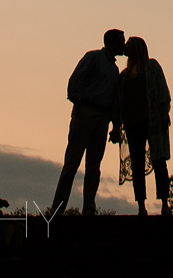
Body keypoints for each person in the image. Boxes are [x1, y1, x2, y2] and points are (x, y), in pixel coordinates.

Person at [49, 28, 125, 218]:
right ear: (112, 43)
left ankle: (89, 207)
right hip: (87, 112)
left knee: (94, 166)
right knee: (72, 163)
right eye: (121, 41)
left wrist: (116, 126)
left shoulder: (114, 70)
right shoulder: (93, 58)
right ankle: (58, 208)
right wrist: (80, 104)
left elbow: (115, 100)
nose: (123, 45)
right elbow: (75, 81)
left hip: (102, 117)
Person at [109, 35, 172, 215]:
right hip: (132, 123)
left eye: (129, 44)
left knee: (159, 160)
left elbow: (162, 91)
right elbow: (119, 103)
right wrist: (116, 127)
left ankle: (165, 204)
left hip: (151, 121)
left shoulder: (152, 67)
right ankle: (141, 206)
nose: (126, 47)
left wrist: (163, 112)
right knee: (137, 164)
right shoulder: (124, 75)